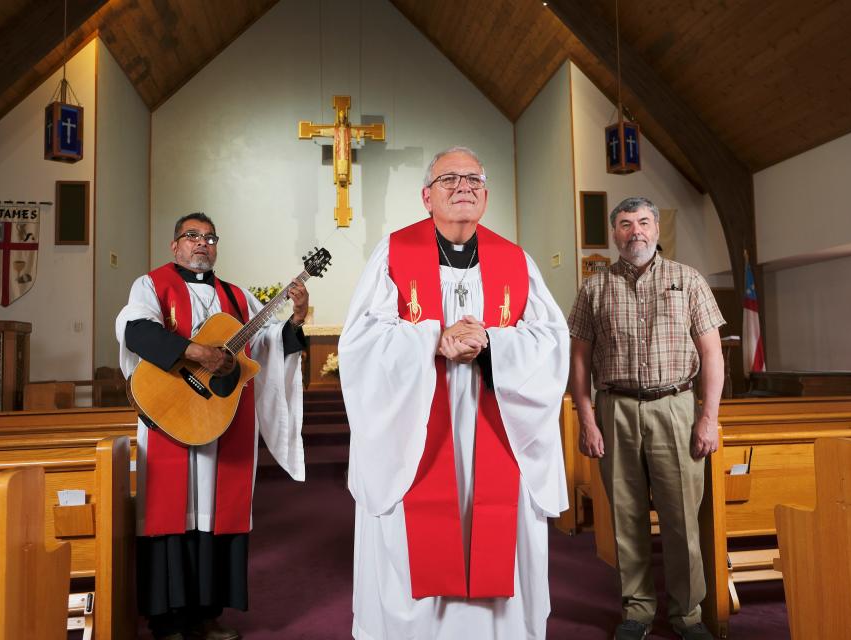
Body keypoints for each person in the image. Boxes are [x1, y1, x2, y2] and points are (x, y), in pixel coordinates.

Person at [339, 146, 570, 639]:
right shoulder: (392, 254)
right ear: (427, 196)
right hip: (417, 427)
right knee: (417, 527)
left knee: (496, 526)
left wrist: (492, 344)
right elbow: (360, 341)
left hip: (497, 419)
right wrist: (431, 339)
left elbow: (552, 341)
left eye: (473, 179)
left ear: (485, 195)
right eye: (449, 179)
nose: (463, 186)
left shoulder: (515, 260)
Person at [116, 212, 309, 640]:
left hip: (223, 420)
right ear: (175, 245)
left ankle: (208, 616)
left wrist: (295, 319)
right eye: (192, 236)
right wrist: (196, 352)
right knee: (169, 517)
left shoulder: (238, 297)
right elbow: (137, 331)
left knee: (217, 521)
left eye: (209, 237)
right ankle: (166, 621)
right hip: (171, 416)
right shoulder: (151, 285)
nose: (202, 243)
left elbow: (270, 344)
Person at [567, 196, 725, 640]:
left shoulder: (688, 280)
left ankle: (687, 615)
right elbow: (579, 360)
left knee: (680, 519)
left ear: (656, 229)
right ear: (614, 233)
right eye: (624, 223)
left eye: (642, 222)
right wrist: (586, 418)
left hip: (675, 407)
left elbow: (712, 353)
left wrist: (707, 418)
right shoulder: (594, 288)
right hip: (614, 407)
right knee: (626, 516)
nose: (634, 230)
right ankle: (636, 610)